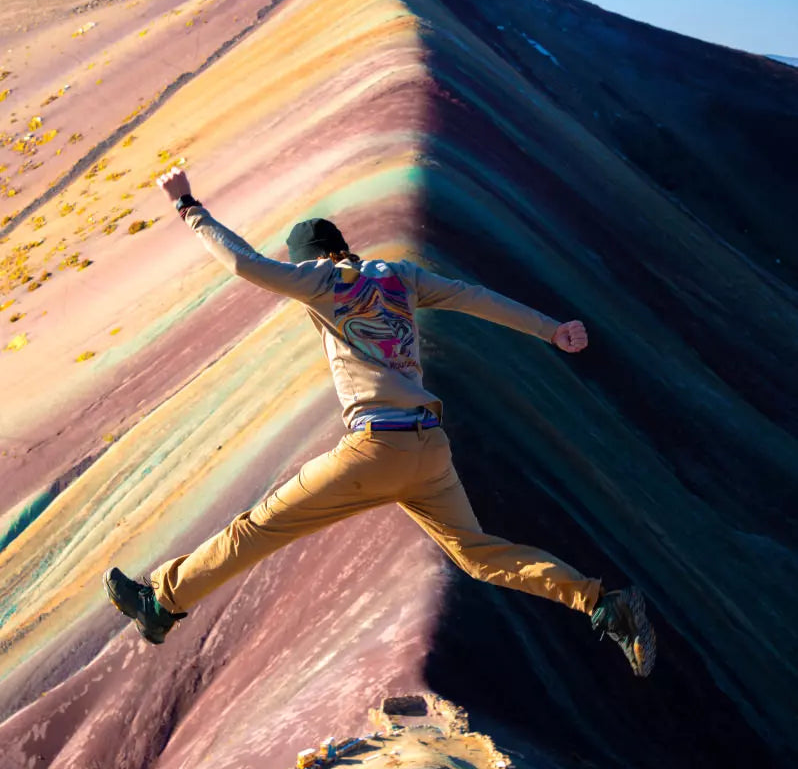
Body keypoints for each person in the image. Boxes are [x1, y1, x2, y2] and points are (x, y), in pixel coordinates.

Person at [104, 167, 656, 677]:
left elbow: (245, 264)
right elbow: (474, 297)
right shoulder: (400, 277)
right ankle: (600, 601)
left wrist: (187, 205)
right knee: (480, 555)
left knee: (257, 528)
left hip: (374, 450)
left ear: (310, 259)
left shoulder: (321, 282)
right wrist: (551, 330)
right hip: (428, 449)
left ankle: (161, 604)